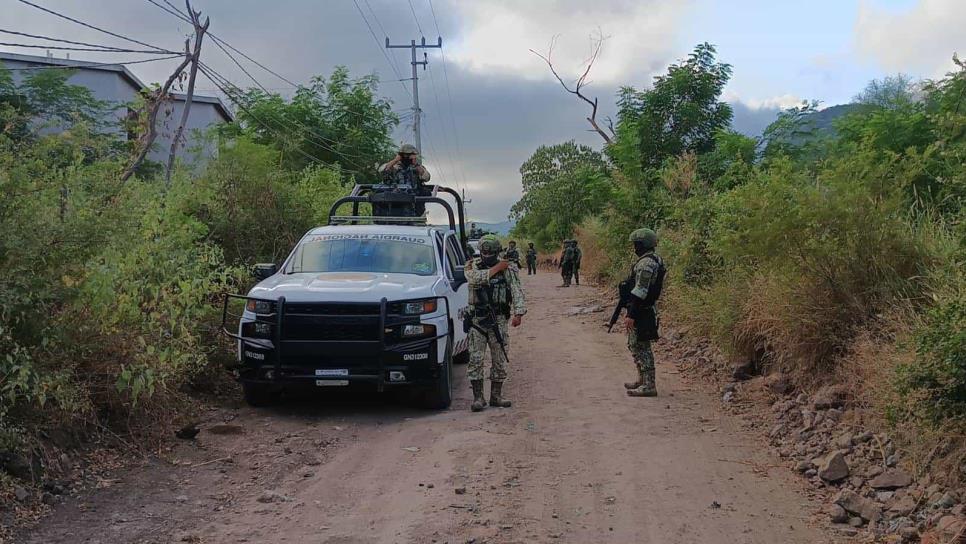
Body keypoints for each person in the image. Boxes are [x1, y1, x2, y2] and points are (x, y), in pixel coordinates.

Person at [464, 235, 526, 412]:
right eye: (485, 252)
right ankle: (478, 398)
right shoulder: (471, 265)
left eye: (491, 252)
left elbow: (516, 289)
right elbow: (475, 279)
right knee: (476, 358)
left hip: (499, 319)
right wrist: (498, 267)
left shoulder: (509, 269)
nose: (487, 255)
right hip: (477, 320)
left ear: (497, 252)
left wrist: (518, 312)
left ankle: (496, 396)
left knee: (499, 358)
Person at [623, 228, 666, 397]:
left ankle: (649, 385)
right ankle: (642, 379)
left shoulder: (646, 263)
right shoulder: (652, 260)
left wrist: (631, 314)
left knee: (642, 347)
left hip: (643, 310)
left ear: (643, 244)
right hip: (643, 308)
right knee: (634, 344)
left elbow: (641, 290)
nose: (635, 248)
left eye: (636, 244)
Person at [376, 144, 431, 217]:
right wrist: (395, 160)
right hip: (396, 203)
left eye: (411, 155)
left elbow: (427, 177)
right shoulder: (394, 167)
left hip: (414, 205)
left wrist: (416, 165)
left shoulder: (417, 168)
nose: (408, 158)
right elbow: (382, 171)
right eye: (407, 155)